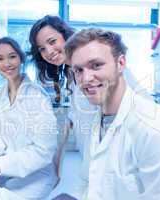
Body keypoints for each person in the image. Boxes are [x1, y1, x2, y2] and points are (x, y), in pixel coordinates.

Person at [64, 28, 160, 200]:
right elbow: (93, 182)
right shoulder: (101, 120)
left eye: (96, 65)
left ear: (121, 63)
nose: (86, 78)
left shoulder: (155, 129)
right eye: (78, 70)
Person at [0, 37, 58, 200]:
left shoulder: (36, 96)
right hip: (7, 172)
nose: (7, 63)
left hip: (35, 176)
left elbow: (43, 150)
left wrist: (0, 164)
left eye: (12, 56)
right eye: (0, 58)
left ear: (21, 59)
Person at [29, 15, 96, 197]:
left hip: (111, 167)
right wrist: (56, 166)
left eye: (52, 41)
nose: (49, 51)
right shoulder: (72, 74)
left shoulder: (90, 67)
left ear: (65, 35)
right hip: (93, 166)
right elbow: (71, 121)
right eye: (42, 49)